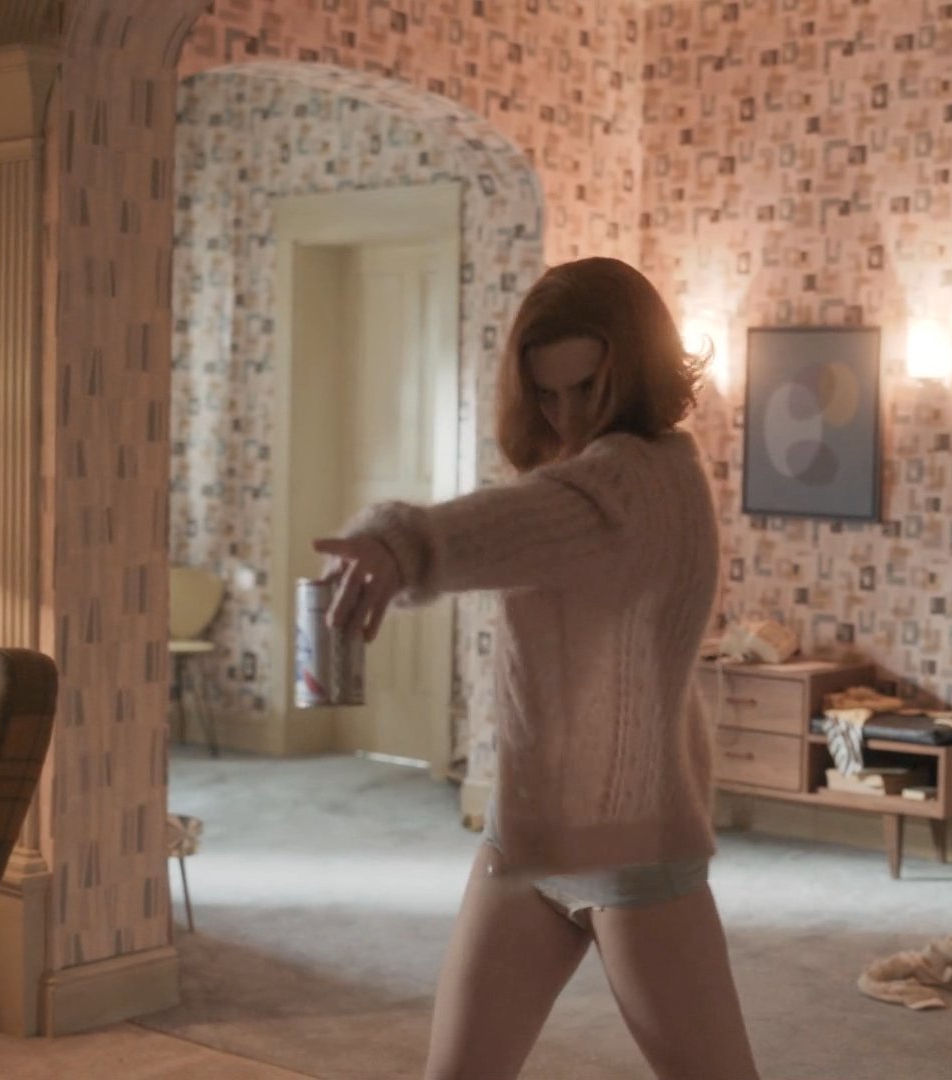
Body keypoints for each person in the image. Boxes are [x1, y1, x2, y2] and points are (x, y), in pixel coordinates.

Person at [312, 257, 759, 1080]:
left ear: (635, 373)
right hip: (528, 835)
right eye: (547, 395)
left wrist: (400, 543)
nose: (567, 417)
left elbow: (518, 521)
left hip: (632, 847)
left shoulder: (639, 481)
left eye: (586, 390)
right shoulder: (593, 476)